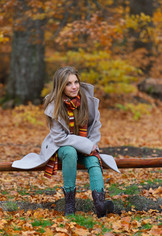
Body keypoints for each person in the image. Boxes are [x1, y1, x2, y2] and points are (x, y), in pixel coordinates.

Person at [12, 66, 120, 218]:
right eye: (68, 84)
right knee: (70, 151)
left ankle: (100, 204)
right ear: (61, 86)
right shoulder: (54, 105)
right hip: (61, 147)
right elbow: (60, 138)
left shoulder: (87, 102)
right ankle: (69, 204)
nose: (74, 86)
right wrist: (87, 145)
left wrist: (91, 145)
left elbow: (95, 127)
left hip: (85, 144)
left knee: (93, 158)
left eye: (76, 82)